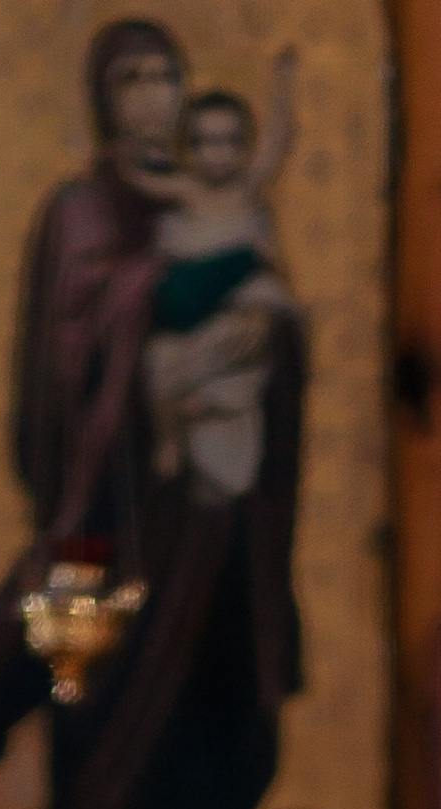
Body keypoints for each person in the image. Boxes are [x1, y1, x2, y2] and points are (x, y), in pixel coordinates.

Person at [0, 16, 307, 809]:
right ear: (103, 98)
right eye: (133, 79)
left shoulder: (217, 190)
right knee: (104, 696)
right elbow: (64, 355)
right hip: (112, 513)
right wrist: (163, 309)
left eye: (167, 76)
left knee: (210, 705)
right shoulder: (79, 210)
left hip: (212, 514)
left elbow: (273, 324)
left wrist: (253, 338)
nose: (152, 95)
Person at [139, 53, 298, 500]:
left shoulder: (246, 188)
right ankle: (171, 436)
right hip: (187, 317)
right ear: (188, 147)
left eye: (230, 142)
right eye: (206, 142)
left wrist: (283, 85)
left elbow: (278, 145)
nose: (218, 154)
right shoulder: (187, 190)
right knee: (160, 362)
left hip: (235, 311)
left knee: (243, 344)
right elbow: (144, 183)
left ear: (243, 145)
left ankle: (206, 406)